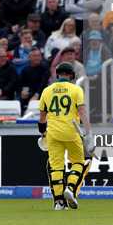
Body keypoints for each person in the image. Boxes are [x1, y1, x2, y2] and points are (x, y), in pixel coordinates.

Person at [38, 61, 92, 210]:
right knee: (78, 163)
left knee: (56, 168)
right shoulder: (76, 90)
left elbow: (42, 117)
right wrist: (89, 133)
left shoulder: (47, 91)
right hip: (71, 132)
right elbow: (82, 113)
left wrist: (43, 133)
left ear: (57, 75)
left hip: (53, 134)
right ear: (71, 76)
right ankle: (71, 188)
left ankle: (59, 203)